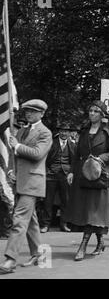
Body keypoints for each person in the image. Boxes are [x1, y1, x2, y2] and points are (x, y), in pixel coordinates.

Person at [0, 99, 52, 274]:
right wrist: (10, 171)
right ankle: (41, 255)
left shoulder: (45, 133)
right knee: (31, 221)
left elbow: (38, 154)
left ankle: (10, 259)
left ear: (41, 113)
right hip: (20, 181)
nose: (28, 114)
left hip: (32, 183)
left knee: (19, 220)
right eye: (27, 111)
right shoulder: (21, 131)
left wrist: (18, 146)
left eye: (32, 111)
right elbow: (15, 157)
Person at [65, 100, 109, 261]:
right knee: (88, 211)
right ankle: (101, 241)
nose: (92, 113)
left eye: (96, 111)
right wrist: (72, 172)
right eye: (91, 110)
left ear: (102, 115)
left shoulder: (108, 133)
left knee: (96, 212)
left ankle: (83, 246)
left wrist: (101, 158)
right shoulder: (83, 132)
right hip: (84, 175)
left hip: (101, 176)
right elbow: (76, 155)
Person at [39, 122, 76, 233]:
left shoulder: (73, 145)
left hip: (66, 175)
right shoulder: (51, 143)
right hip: (51, 174)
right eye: (62, 130)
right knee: (48, 200)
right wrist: (46, 170)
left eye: (66, 131)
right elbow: (44, 157)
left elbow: (74, 161)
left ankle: (63, 224)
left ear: (69, 133)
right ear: (59, 131)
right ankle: (45, 224)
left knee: (65, 200)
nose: (64, 133)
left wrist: (71, 172)